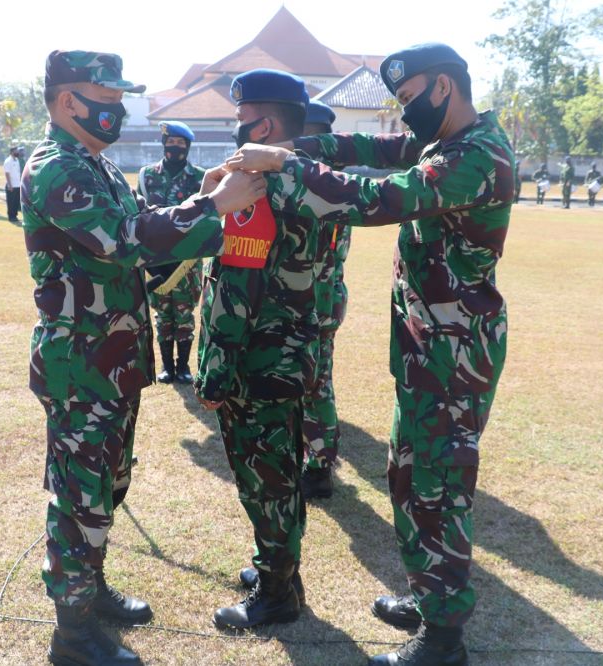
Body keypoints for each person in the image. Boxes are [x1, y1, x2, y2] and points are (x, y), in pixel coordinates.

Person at [225, 42, 515, 666]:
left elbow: (383, 198)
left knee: (436, 481)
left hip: (455, 349)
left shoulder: (479, 156)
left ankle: (443, 640)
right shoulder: (445, 143)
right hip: (428, 342)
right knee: (408, 472)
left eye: (410, 101)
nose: (404, 117)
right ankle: (429, 593)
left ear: (443, 88)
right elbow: (373, 151)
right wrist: (301, 150)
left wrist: (287, 164)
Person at [22, 49, 264, 666]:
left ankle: (92, 589)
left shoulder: (96, 167)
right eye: (107, 99)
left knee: (108, 483)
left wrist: (205, 196)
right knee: (81, 498)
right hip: (82, 364)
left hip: (115, 356)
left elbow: (149, 231)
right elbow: (124, 240)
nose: (118, 110)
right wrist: (215, 208)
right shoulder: (56, 168)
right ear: (69, 100)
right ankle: (71, 636)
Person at [196, 68, 321, 632]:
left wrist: (214, 371)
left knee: (263, 479)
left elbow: (235, 288)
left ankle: (275, 594)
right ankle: (281, 571)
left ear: (265, 123)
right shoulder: (311, 178)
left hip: (256, 359)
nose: (236, 129)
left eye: (243, 120)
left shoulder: (254, 186)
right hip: (291, 350)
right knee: (283, 473)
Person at [298, 99, 351, 500]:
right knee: (314, 384)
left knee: (315, 387)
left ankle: (318, 468)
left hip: (313, 304)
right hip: (319, 300)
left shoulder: (324, 185)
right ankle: (314, 459)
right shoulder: (330, 179)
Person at [136, 120, 206, 384]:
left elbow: (205, 217)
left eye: (180, 144)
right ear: (163, 143)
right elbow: (139, 215)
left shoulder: (200, 178)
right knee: (162, 313)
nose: (174, 147)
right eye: (170, 142)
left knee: (185, 312)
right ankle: (166, 367)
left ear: (187, 147)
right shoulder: (146, 175)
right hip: (156, 259)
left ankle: (184, 367)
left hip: (187, 260)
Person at [3, 146, 22, 222]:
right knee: (11, 202)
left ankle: (15, 215)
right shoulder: (8, 161)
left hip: (17, 184)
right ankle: (11, 216)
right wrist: (9, 184)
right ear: (11, 152)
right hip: (11, 185)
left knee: (16, 202)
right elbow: (7, 173)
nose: (17, 152)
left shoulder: (17, 160)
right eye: (16, 151)